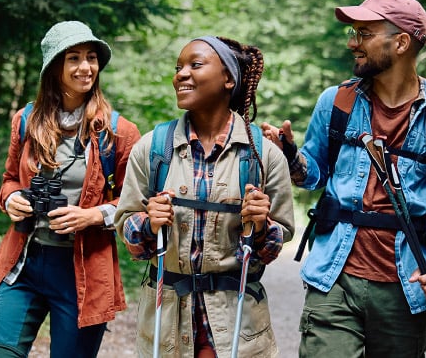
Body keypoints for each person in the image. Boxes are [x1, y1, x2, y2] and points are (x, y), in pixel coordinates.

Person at [262, 0, 426, 358]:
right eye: (353, 33)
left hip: (404, 287)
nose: (353, 43)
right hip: (333, 277)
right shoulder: (336, 102)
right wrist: (288, 156)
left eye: (364, 33)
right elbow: (314, 174)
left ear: (400, 42)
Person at [115, 36, 295, 357]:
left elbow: (272, 248)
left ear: (228, 79)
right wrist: (147, 224)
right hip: (166, 325)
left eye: (195, 65)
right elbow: (130, 236)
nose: (181, 74)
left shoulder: (263, 156)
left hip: (236, 329)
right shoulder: (154, 148)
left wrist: (261, 225)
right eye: (178, 67)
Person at [0, 20, 141, 358]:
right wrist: (11, 198)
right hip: (24, 263)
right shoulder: (26, 121)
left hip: (82, 271)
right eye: (73, 58)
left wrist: (91, 216)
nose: (86, 67)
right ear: (54, 67)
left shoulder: (119, 133)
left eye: (91, 58)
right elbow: (9, 179)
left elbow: (137, 203)